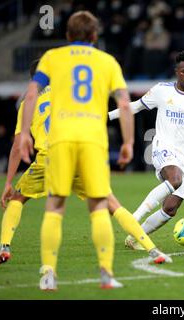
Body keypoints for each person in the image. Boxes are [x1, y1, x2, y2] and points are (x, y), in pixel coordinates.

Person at [0, 60, 171, 271]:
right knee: (112, 204)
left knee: (17, 198)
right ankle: (152, 249)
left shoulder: (28, 104)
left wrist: (8, 182)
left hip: (49, 159)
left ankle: (3, 247)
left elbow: (18, 147)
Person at [20, 11, 132, 291]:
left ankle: (48, 275)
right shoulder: (107, 61)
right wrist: (128, 142)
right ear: (95, 36)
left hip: (60, 138)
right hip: (93, 138)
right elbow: (125, 102)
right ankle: (106, 274)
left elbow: (32, 94)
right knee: (98, 205)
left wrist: (24, 133)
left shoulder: (52, 58)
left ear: (68, 36)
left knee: (55, 205)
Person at [109, 50, 184, 250]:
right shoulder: (162, 90)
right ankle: (134, 217)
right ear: (176, 71)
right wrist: (107, 116)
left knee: (170, 209)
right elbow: (134, 107)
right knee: (174, 179)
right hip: (162, 147)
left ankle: (136, 238)